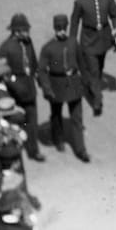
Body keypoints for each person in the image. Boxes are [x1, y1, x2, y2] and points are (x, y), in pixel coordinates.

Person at [69, 0, 116, 117]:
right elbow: (74, 22)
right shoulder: (80, 2)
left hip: (104, 40)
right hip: (88, 41)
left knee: (99, 67)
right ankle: (97, 100)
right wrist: (72, 42)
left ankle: (92, 86)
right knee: (94, 70)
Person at [37, 13, 90, 162]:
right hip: (56, 84)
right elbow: (42, 70)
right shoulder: (48, 48)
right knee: (56, 115)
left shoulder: (73, 42)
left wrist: (87, 81)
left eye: (63, 28)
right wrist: (47, 88)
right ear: (54, 29)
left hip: (73, 83)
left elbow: (81, 62)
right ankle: (58, 139)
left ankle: (81, 150)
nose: (61, 31)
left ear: (66, 27)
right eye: (58, 29)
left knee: (77, 118)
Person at [0, 13, 46, 162]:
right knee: (15, 122)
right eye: (25, 30)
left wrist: (39, 78)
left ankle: (33, 150)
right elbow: (2, 72)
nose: (27, 33)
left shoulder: (28, 42)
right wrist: (15, 84)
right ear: (16, 31)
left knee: (32, 120)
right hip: (14, 90)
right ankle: (13, 151)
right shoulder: (5, 48)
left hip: (29, 87)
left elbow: (33, 61)